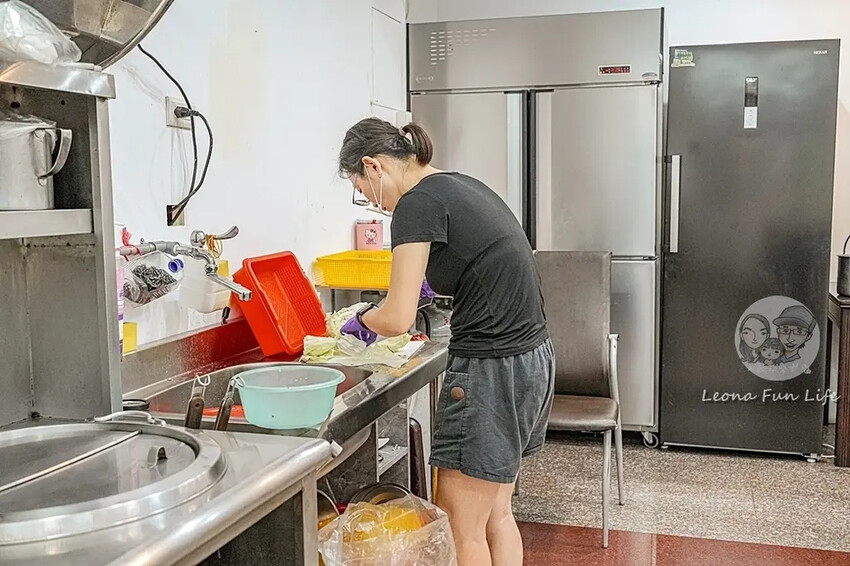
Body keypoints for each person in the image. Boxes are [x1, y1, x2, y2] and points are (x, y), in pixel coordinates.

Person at [336, 117, 554, 566]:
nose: (371, 202)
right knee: (496, 513)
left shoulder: (415, 205)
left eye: (363, 188)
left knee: (461, 524)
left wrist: (362, 321)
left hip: (492, 370)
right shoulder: (456, 185)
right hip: (531, 357)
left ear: (373, 167)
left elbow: (396, 319)